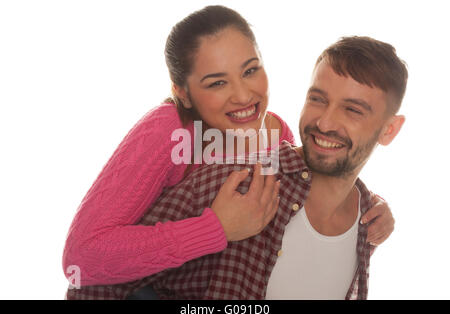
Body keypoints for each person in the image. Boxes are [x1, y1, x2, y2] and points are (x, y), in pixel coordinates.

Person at [62, 5, 394, 290]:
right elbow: (81, 258)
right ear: (184, 92)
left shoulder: (278, 133)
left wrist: (374, 206)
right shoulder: (170, 130)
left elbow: (319, 176)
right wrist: (214, 229)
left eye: (250, 70)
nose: (243, 95)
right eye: (217, 82)